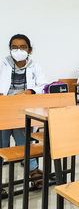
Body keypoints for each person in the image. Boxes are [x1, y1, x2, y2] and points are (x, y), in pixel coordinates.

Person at [0, 34, 47, 194]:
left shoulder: (35, 66)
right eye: (14, 47)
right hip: (3, 109)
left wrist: (29, 91)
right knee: (2, 142)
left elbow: (42, 86)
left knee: (24, 142)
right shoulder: (3, 63)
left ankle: (33, 171)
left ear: (30, 50)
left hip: (23, 111)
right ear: (10, 49)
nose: (18, 50)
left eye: (23, 47)